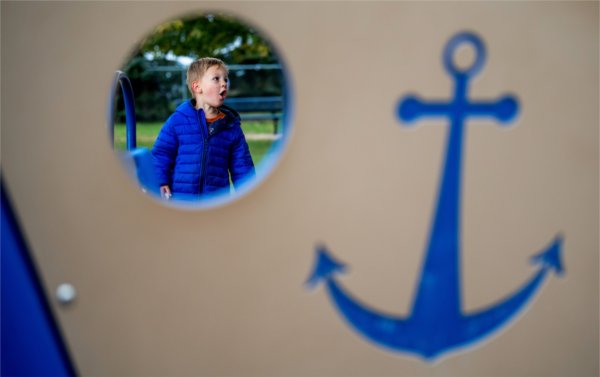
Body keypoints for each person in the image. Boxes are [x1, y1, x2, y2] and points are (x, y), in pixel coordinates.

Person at [151, 57, 255, 200]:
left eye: (226, 79)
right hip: (181, 200)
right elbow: (161, 154)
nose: (224, 83)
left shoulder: (231, 126)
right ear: (197, 87)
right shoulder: (178, 121)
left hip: (215, 203)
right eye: (216, 79)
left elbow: (242, 165)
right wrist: (160, 181)